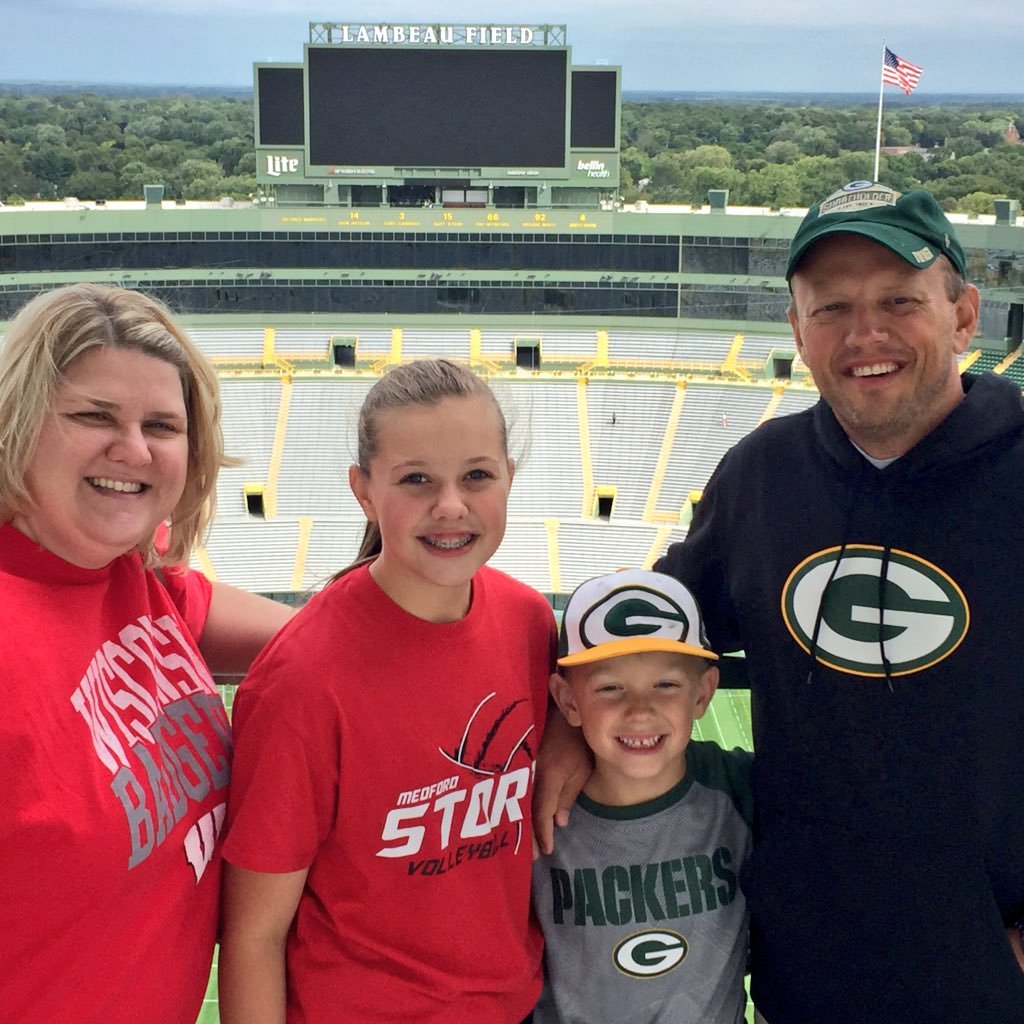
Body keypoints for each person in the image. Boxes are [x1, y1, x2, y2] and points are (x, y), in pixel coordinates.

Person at [537, 183, 1024, 1023]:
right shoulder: (762, 475)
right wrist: (560, 730)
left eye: (898, 301)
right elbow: (642, 635)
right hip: (806, 979)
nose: (864, 334)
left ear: (963, 315)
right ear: (797, 331)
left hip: (990, 986)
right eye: (830, 307)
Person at [218, 358, 557, 1024]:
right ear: (364, 492)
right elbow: (254, 935)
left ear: (509, 480)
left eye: (477, 476)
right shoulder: (304, 679)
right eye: (416, 480)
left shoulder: (527, 622)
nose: (451, 505)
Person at [0, 282, 294, 1024]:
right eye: (93, 416)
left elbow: (336, 644)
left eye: (161, 425)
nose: (132, 449)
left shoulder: (135, 581)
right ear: (18, 423)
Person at [532, 569, 752, 1024]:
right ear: (567, 701)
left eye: (666, 685)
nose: (639, 710)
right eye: (610, 688)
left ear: (703, 692)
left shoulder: (739, 789)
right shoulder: (534, 809)